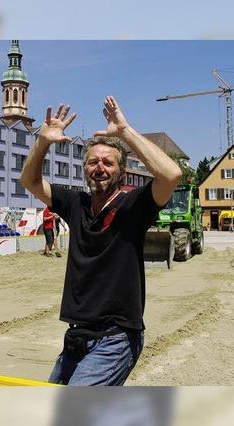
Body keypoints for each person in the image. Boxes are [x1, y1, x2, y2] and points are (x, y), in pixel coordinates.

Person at [20, 96, 182, 385]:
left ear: (121, 172)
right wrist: (43, 142)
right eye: (93, 162)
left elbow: (171, 175)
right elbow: (30, 182)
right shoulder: (75, 203)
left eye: (109, 163)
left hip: (116, 339)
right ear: (84, 169)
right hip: (77, 336)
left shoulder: (134, 206)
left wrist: (124, 131)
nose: (100, 167)